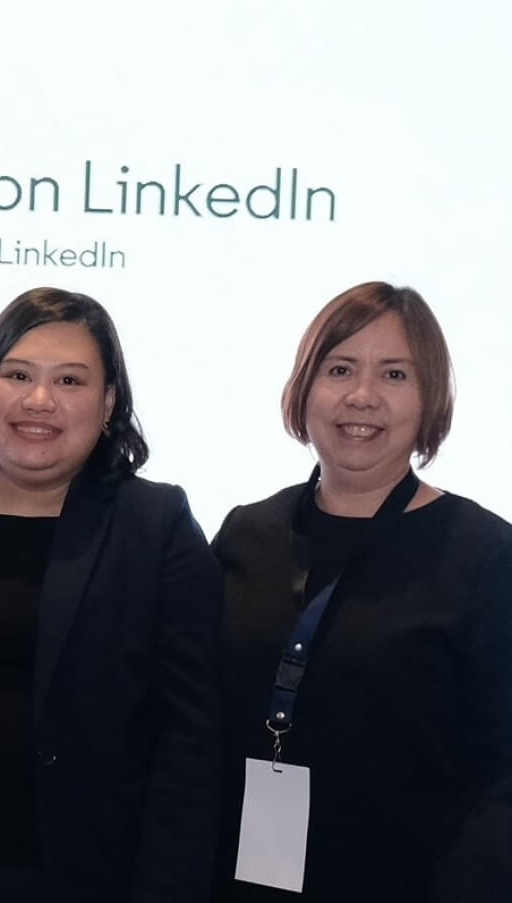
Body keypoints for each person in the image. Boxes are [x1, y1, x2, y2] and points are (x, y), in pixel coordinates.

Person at [0, 287, 223, 902]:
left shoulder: (156, 526)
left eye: (70, 381)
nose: (39, 400)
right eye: (17, 374)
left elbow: (190, 739)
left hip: (84, 875)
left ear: (108, 403)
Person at [213, 282, 512, 901]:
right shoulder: (248, 532)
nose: (361, 396)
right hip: (236, 877)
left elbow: (500, 776)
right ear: (304, 388)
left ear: (430, 396)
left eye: (395, 374)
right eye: (339, 368)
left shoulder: (485, 554)